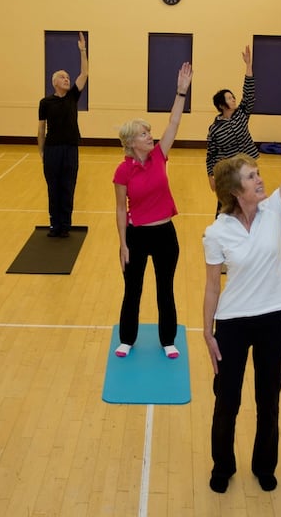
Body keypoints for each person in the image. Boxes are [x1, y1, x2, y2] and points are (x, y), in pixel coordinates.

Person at [202, 70, 281, 494]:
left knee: (270, 399)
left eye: (258, 174)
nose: (260, 178)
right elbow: (213, 286)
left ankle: (265, 463)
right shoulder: (217, 231)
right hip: (231, 323)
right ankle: (222, 465)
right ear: (235, 189)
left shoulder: (275, 211)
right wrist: (206, 332)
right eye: (252, 177)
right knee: (226, 402)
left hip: (272, 321)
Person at [113, 63, 194, 360]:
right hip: (136, 236)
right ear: (132, 142)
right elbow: (121, 209)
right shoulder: (123, 171)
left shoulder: (160, 156)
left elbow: (173, 122)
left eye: (149, 133)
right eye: (144, 134)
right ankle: (127, 339)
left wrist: (181, 91)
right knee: (132, 290)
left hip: (164, 234)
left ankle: (167, 340)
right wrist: (122, 243)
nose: (151, 136)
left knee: (165, 289)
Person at [38, 32, 89, 237]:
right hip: (51, 149)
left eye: (68, 77)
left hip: (70, 148)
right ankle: (54, 224)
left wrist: (82, 50)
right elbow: (41, 129)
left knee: (68, 187)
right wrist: (41, 151)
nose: (67, 79)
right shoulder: (45, 102)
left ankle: (66, 224)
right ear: (54, 82)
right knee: (53, 188)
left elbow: (84, 74)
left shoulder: (72, 97)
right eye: (63, 77)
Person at [206, 46, 260, 214]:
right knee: (225, 208)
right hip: (229, 174)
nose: (234, 99)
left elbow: (249, 93)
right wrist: (211, 177)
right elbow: (211, 154)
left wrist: (248, 66)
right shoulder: (214, 129)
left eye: (233, 96)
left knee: (250, 206)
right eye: (229, 98)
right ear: (222, 105)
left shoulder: (242, 114)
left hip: (248, 169)